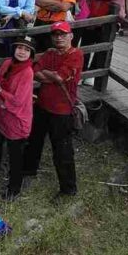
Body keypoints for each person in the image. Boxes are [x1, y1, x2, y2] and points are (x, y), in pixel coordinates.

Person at [24, 22, 82, 198]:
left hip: (62, 110)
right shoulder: (50, 53)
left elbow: (60, 77)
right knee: (34, 142)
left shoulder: (76, 55)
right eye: (56, 35)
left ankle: (68, 189)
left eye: (63, 34)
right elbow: (35, 71)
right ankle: (28, 171)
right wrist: (53, 76)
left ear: (71, 36)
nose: (59, 38)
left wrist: (49, 74)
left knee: (62, 150)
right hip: (42, 105)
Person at [0, 36, 36, 200]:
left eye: (27, 50)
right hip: (2, 112)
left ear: (31, 54)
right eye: (20, 48)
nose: (22, 52)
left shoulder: (27, 72)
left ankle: (14, 188)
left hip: (16, 117)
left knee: (15, 154)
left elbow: (18, 100)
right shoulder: (7, 63)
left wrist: (1, 93)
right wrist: (0, 99)